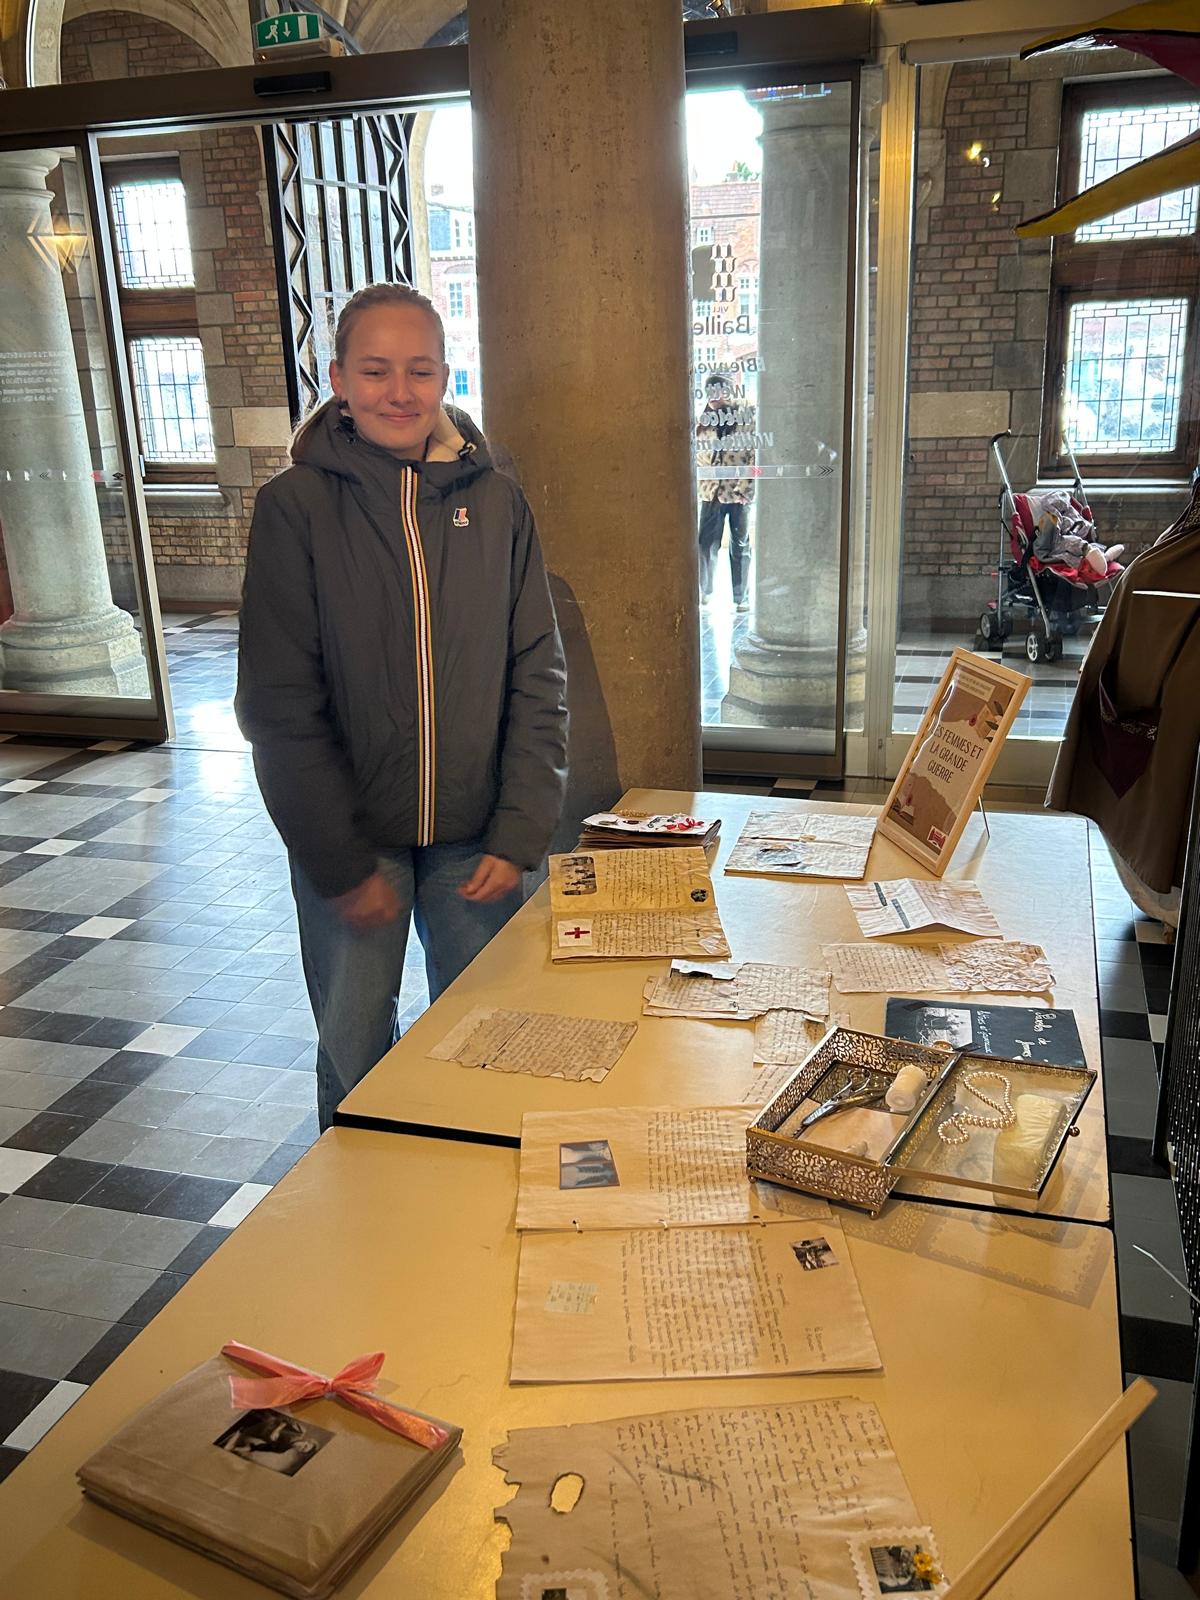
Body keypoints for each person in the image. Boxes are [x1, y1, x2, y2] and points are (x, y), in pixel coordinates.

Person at [236, 283, 568, 1129]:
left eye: (420, 370)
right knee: (356, 1056)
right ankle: (359, 1194)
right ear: (339, 379)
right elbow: (279, 706)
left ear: (446, 376)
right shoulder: (296, 507)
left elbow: (537, 669)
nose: (399, 391)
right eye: (375, 369)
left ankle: (473, 1191)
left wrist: (521, 830)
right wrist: (337, 859)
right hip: (355, 844)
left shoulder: (496, 501)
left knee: (488, 1041)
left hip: (476, 839)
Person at [695, 371, 756, 610]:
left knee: (740, 545)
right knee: (705, 544)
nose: (712, 396)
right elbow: (698, 454)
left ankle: (740, 597)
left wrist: (746, 488)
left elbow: (754, 453)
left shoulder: (746, 414)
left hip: (738, 492)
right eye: (709, 391)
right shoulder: (705, 418)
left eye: (717, 391)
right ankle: (705, 591)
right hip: (711, 490)